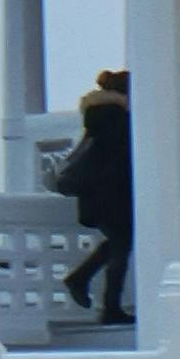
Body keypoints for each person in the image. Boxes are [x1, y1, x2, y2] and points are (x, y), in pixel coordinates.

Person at [49, 67, 133, 321]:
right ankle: (108, 306)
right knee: (121, 244)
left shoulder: (99, 116)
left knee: (118, 244)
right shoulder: (118, 119)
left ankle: (82, 281)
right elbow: (120, 160)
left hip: (97, 196)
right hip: (113, 195)